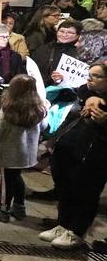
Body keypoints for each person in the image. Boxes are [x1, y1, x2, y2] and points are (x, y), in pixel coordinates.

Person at [40, 62, 107, 250]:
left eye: (97, 76)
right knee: (65, 186)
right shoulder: (90, 93)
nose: (90, 79)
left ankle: (76, 231)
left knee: (85, 191)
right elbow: (81, 90)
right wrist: (92, 97)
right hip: (72, 145)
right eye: (89, 74)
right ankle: (63, 224)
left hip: (94, 153)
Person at [0, 74, 45, 223]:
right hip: (27, 154)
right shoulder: (39, 109)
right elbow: (44, 126)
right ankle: (19, 207)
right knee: (16, 178)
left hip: (9, 153)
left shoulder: (8, 110)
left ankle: (3, 209)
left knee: (7, 182)